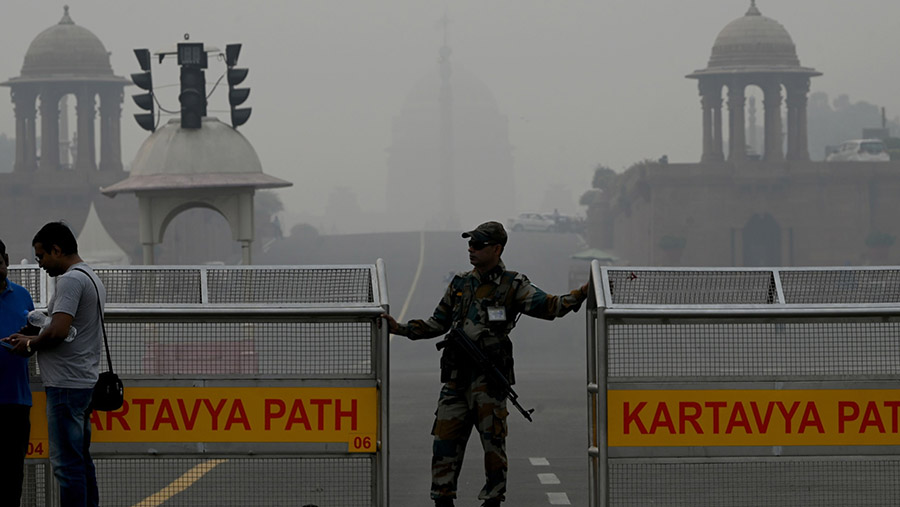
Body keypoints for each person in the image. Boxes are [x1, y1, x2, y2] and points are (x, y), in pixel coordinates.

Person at [381, 221, 589, 507]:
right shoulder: (460, 284)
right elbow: (437, 323)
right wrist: (400, 328)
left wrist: (585, 291)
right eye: (469, 244)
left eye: (478, 245)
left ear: (497, 248)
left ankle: (493, 500)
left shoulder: (513, 285)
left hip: (488, 383)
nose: (471, 249)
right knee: (444, 444)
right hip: (456, 379)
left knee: (493, 446)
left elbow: (551, 306)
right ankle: (443, 499)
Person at [3, 222, 106, 507]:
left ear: (56, 250)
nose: (41, 265)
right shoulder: (90, 276)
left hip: (65, 386)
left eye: (41, 257)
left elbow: (60, 330)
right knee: (82, 462)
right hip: (83, 382)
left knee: (66, 466)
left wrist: (29, 344)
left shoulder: (71, 280)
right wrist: (31, 334)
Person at [0, 238, 36, 505]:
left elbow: (34, 340)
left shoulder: (23, 296)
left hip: (16, 400)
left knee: (13, 474)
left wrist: (27, 345)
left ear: (7, 262)